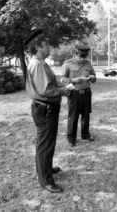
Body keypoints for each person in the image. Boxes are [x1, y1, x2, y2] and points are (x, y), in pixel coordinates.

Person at [25, 29, 74, 193]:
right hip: (44, 109)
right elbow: (46, 90)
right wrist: (64, 91)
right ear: (38, 47)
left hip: (46, 108)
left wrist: (61, 85)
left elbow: (51, 83)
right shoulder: (38, 64)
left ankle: (46, 169)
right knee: (45, 144)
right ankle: (46, 180)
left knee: (47, 142)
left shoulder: (40, 62)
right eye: (46, 45)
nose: (49, 48)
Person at [61, 45, 97, 147]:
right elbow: (62, 79)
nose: (82, 59)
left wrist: (92, 78)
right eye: (81, 56)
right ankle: (71, 138)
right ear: (75, 54)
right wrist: (74, 80)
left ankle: (85, 134)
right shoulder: (67, 64)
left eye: (84, 57)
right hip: (74, 94)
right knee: (73, 117)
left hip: (86, 93)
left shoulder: (88, 63)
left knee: (86, 116)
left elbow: (94, 78)